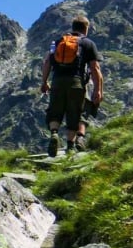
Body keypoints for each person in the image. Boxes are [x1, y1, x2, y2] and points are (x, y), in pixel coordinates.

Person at [39, 15, 103, 156]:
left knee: (55, 111)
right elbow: (95, 68)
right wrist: (98, 90)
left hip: (57, 82)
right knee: (74, 113)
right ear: (86, 28)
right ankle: (70, 146)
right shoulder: (87, 43)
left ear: (73, 27)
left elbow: (47, 63)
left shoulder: (57, 42)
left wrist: (44, 82)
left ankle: (54, 134)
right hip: (76, 82)